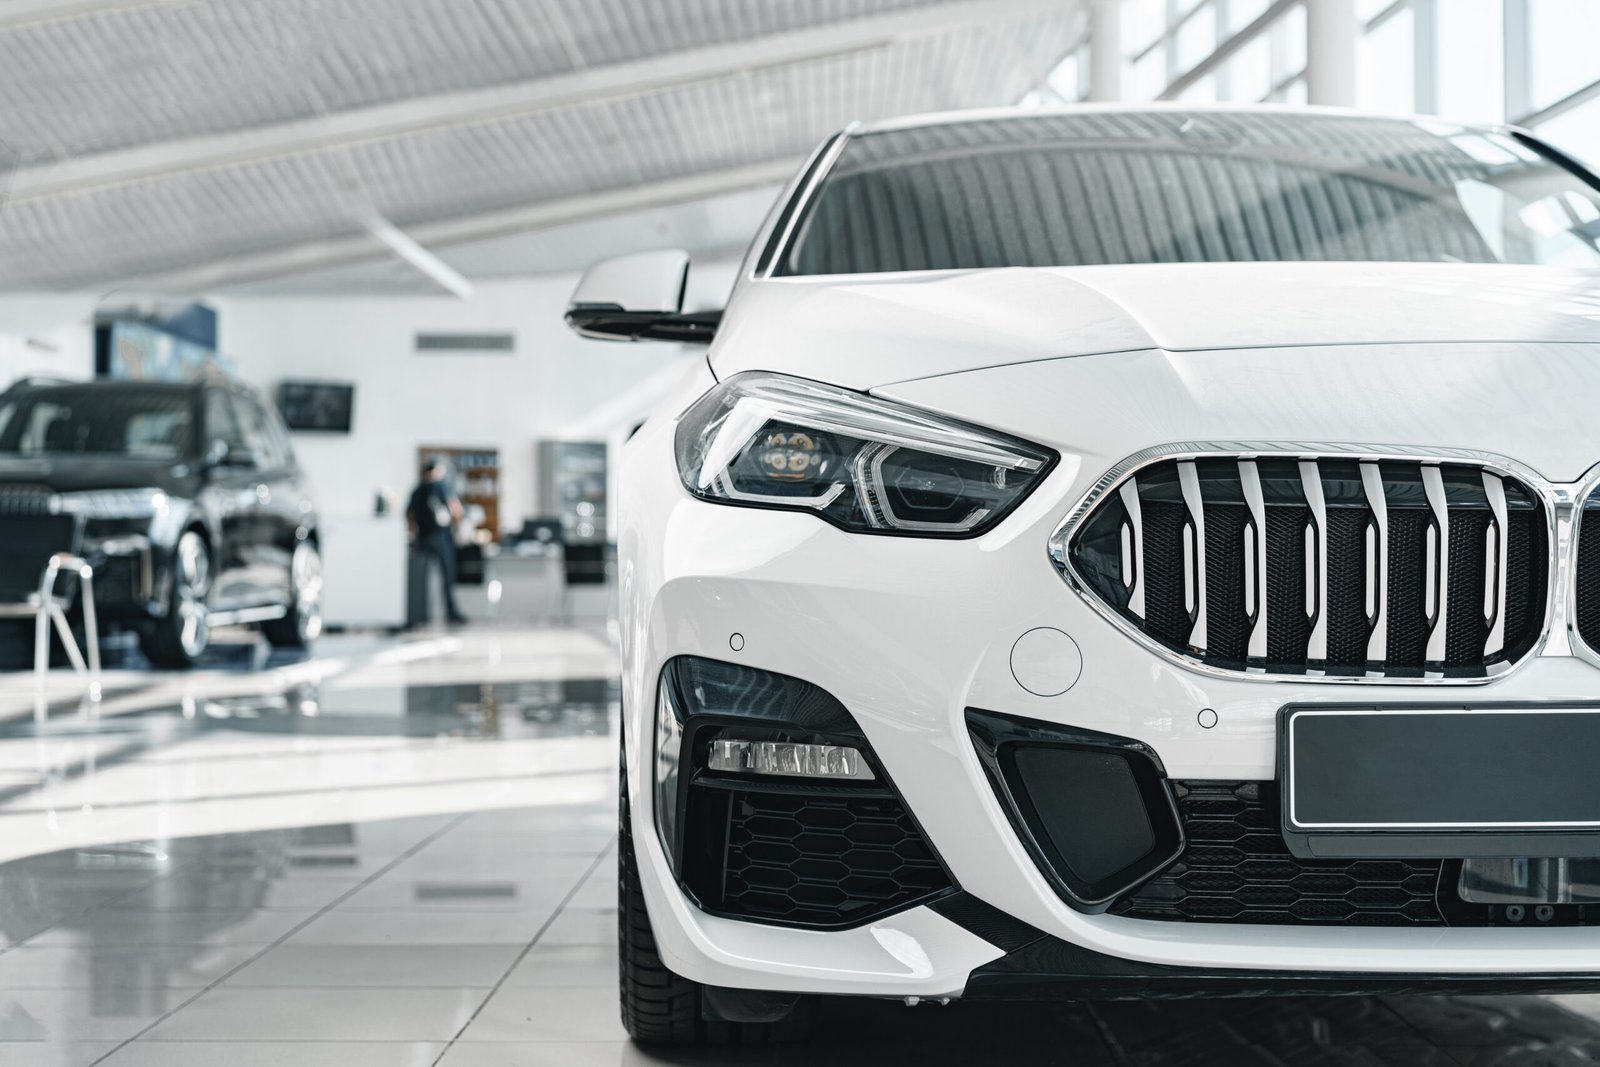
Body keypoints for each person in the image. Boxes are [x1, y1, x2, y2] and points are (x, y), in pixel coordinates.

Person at [406, 459, 467, 625]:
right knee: (447, 576)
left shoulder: (417, 490)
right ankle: (451, 612)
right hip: (441, 538)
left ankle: (416, 614)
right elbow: (456, 511)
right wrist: (459, 528)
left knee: (419, 579)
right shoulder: (442, 487)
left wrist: (412, 537)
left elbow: (409, 515)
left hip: (422, 538)